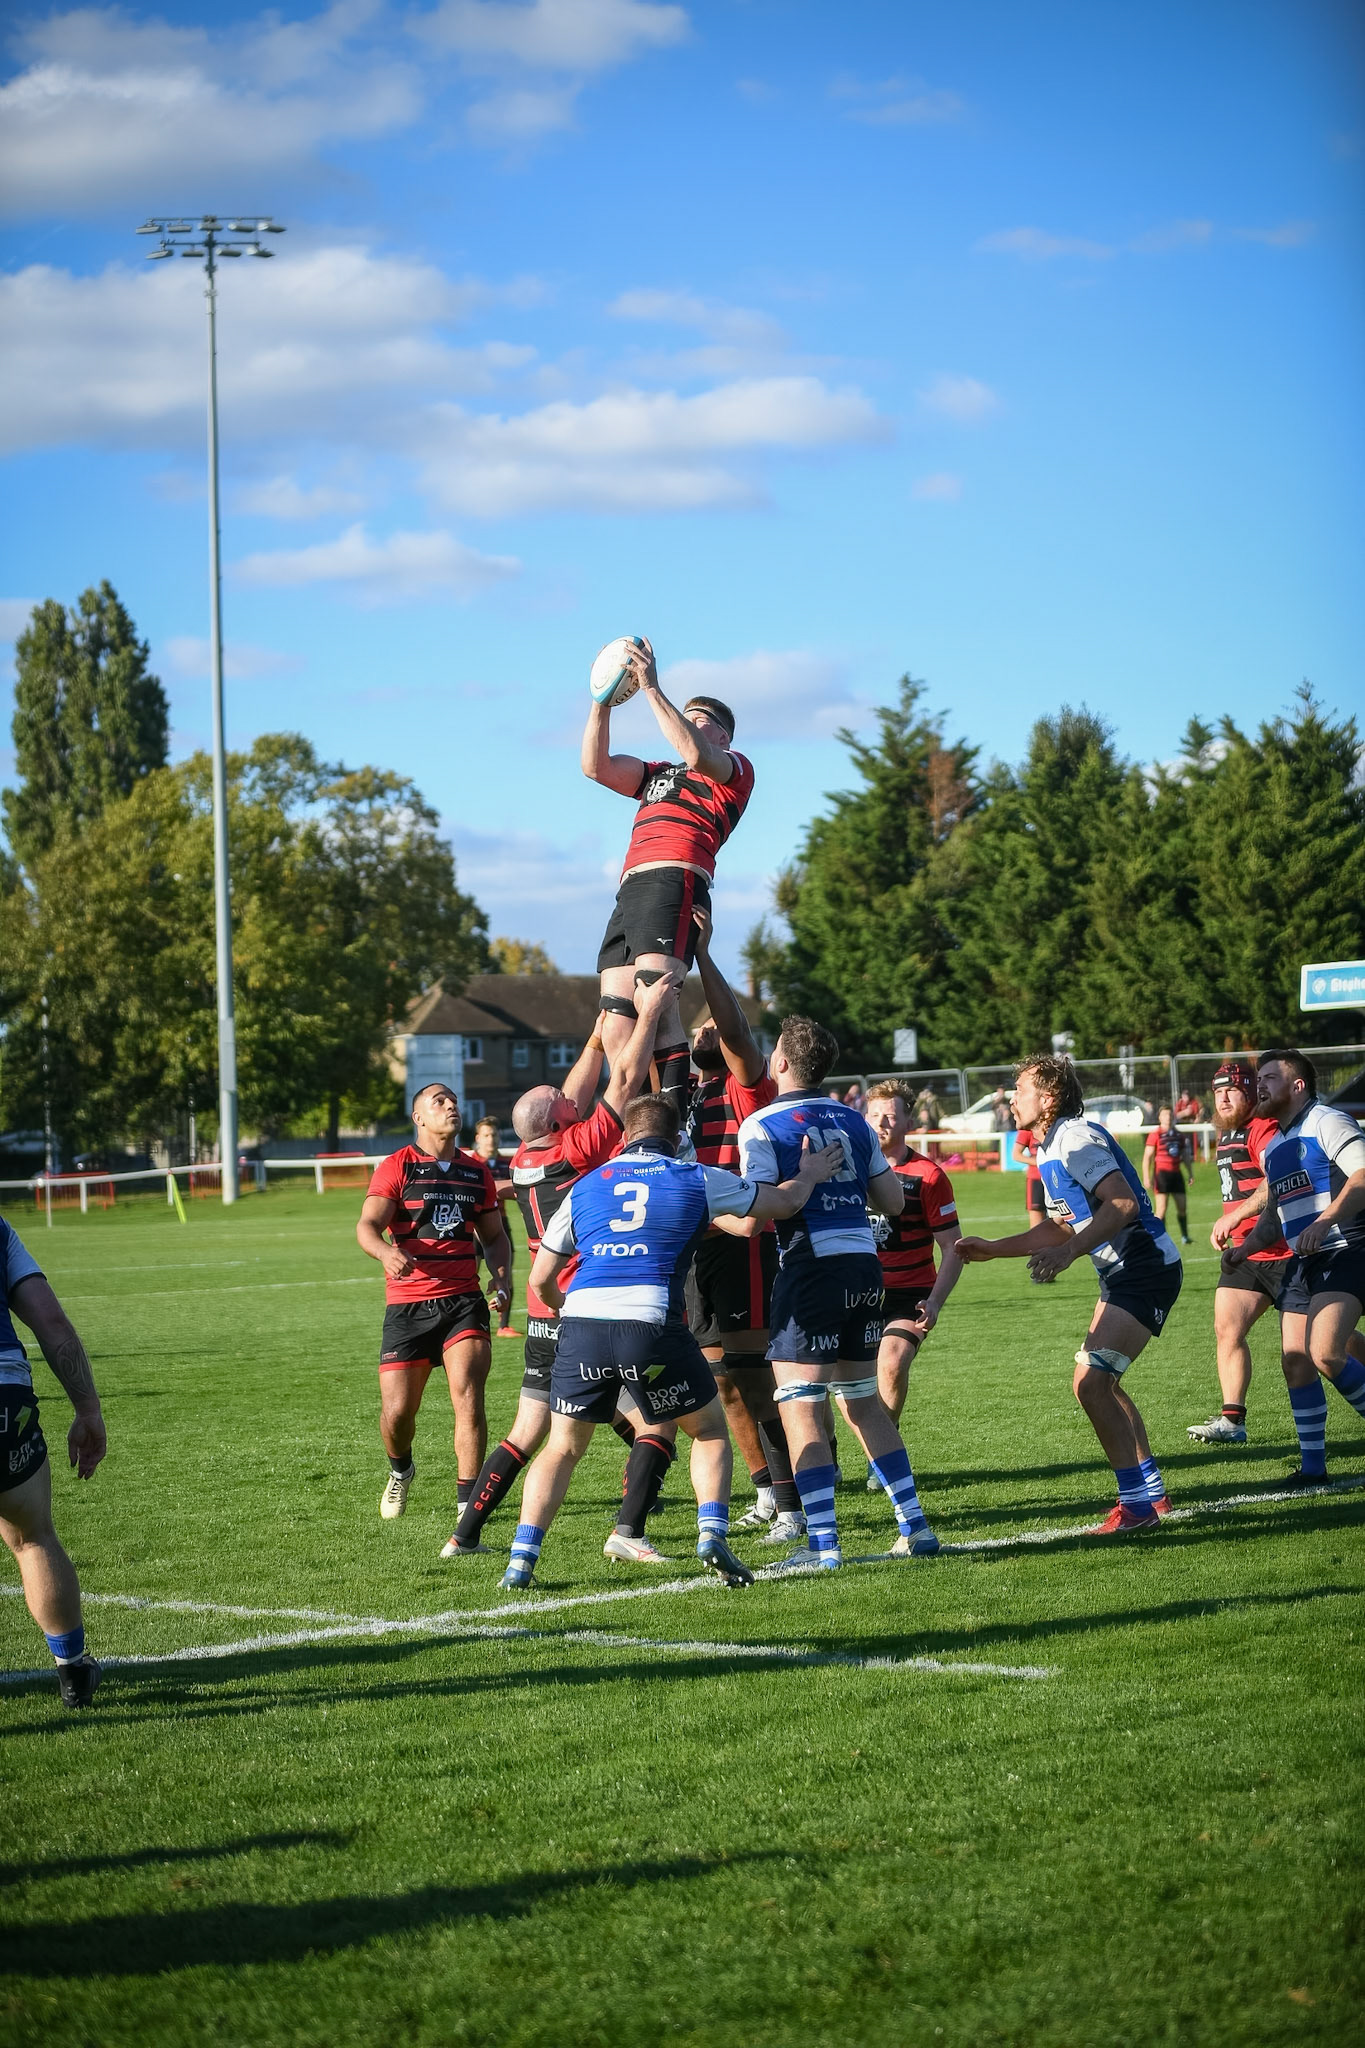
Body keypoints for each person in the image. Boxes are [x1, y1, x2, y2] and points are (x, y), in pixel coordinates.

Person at [500, 1092, 842, 1591]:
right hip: (651, 1324)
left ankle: (521, 1560)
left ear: (623, 1137)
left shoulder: (588, 1183)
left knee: (562, 1447)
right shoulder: (695, 1176)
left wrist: (561, 1305)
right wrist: (809, 1172)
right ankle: (711, 1534)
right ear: (679, 1136)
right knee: (707, 1430)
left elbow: (542, 1277)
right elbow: (778, 1206)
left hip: (582, 1326)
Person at [441, 974, 677, 1559]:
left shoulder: (526, 1154)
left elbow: (563, 1098)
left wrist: (596, 1040)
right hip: (586, 1306)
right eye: (567, 1106)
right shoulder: (580, 1149)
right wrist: (645, 1012)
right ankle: (629, 1530)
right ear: (559, 1123)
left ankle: (463, 1535)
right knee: (653, 1426)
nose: (576, 1104)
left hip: (544, 1312)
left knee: (528, 1432)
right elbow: (624, 1082)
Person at [736, 1016, 941, 1571]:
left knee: (801, 1406)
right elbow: (894, 1203)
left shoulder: (760, 1125)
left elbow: (758, 1212)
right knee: (862, 1401)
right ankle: (915, 1525)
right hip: (864, 1268)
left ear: (780, 1063)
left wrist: (714, 1208)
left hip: (810, 1270)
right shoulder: (853, 1120)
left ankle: (822, 1546)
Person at [955, 1054, 1181, 1534]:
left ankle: (1137, 1507)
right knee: (1102, 1384)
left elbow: (1120, 1203)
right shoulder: (1048, 1147)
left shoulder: (1076, 1137)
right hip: (1124, 1274)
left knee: (1091, 1384)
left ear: (1049, 1098)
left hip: (1145, 1268)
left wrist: (1072, 1252)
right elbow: (1061, 1224)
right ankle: (1150, 1496)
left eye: (1020, 1089)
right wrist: (995, 1250)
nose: (1012, 1098)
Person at [582, 636, 755, 1117]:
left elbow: (696, 754)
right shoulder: (659, 773)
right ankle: (634, 1123)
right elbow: (594, 767)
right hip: (631, 888)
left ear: (723, 737)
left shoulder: (732, 769)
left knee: (655, 1000)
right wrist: (602, 702)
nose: (688, 725)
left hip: (673, 877)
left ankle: (672, 1127)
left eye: (700, 721)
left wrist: (652, 688)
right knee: (616, 1022)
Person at [682, 909, 806, 1546]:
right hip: (693, 1254)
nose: (705, 1026)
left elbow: (729, 1027)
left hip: (742, 1245)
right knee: (720, 1380)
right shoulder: (681, 1091)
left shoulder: (744, 1087)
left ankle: (796, 1506)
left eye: (712, 1022)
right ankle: (764, 1490)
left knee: (757, 1380)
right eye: (698, 1023)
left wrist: (702, 956)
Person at [357, 1083, 513, 1522]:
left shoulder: (476, 1172)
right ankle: (400, 1469)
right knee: (398, 1412)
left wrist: (501, 1276)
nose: (450, 1106)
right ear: (418, 1118)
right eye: (438, 1102)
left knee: (468, 1397)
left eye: (453, 1101)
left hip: (463, 1301)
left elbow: (495, 1237)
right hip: (408, 1306)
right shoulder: (397, 1166)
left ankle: (468, 1503)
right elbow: (367, 1226)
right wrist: (386, 1252)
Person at [1223, 1049, 1365, 1485]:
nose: (1258, 1085)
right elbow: (1274, 1219)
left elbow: (1362, 1177)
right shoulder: (1279, 1145)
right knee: (1296, 1359)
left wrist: (1325, 1223)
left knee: (1325, 1352)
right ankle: (1313, 1469)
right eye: (1258, 1078)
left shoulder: (1327, 1120)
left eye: (1269, 1077)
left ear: (1297, 1085)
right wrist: (1245, 1249)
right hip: (1306, 1263)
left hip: (1347, 1249)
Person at [0, 1214, 106, 1707]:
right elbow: (51, 1321)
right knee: (32, 1537)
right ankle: (72, 1672)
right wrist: (87, 1409)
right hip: (6, 1400)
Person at [862, 1081, 963, 1470]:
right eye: (873, 1116)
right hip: (858, 1293)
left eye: (890, 1115)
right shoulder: (849, 1170)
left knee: (890, 1364)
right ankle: (831, 1455)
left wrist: (935, 1301)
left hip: (910, 1294)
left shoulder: (929, 1176)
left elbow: (952, 1248)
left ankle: (882, 1459)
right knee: (829, 1380)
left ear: (908, 1120)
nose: (881, 1123)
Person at [470, 1116, 517, 1336]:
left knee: (505, 1273)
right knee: (470, 1274)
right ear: (478, 1138)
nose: (491, 1139)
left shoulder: (507, 1164)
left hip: (499, 1224)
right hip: (472, 1228)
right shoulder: (470, 1164)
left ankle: (503, 1326)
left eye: (494, 1134)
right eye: (487, 1135)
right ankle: (470, 1320)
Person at [1142, 1105, 1193, 1245]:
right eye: (1165, 1115)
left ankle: (1185, 1236)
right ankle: (1161, 1239)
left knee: (1182, 1207)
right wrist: (1147, 1177)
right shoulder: (1155, 1134)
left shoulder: (1178, 1135)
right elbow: (1147, 1157)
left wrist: (1190, 1173)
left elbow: (1185, 1156)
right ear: (1160, 1117)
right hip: (1162, 1175)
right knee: (1161, 1210)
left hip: (1176, 1175)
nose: (1168, 1117)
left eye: (1170, 1115)